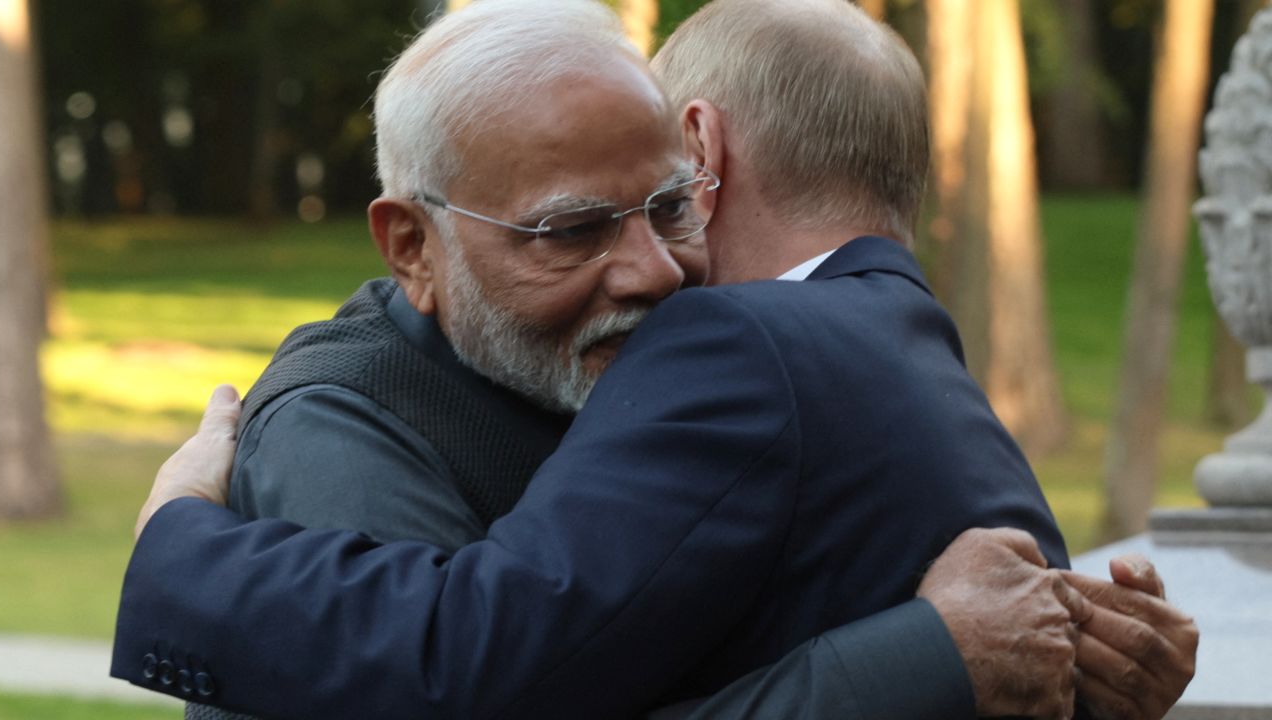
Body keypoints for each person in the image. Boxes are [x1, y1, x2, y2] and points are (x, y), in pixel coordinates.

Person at [113, 1, 1197, 718]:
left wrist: (1071, 664)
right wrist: (928, 655)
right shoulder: (345, 423)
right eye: (571, 228)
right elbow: (462, 659)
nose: (653, 272)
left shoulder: (678, 362)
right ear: (411, 246)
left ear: (699, 160)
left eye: (669, 209)